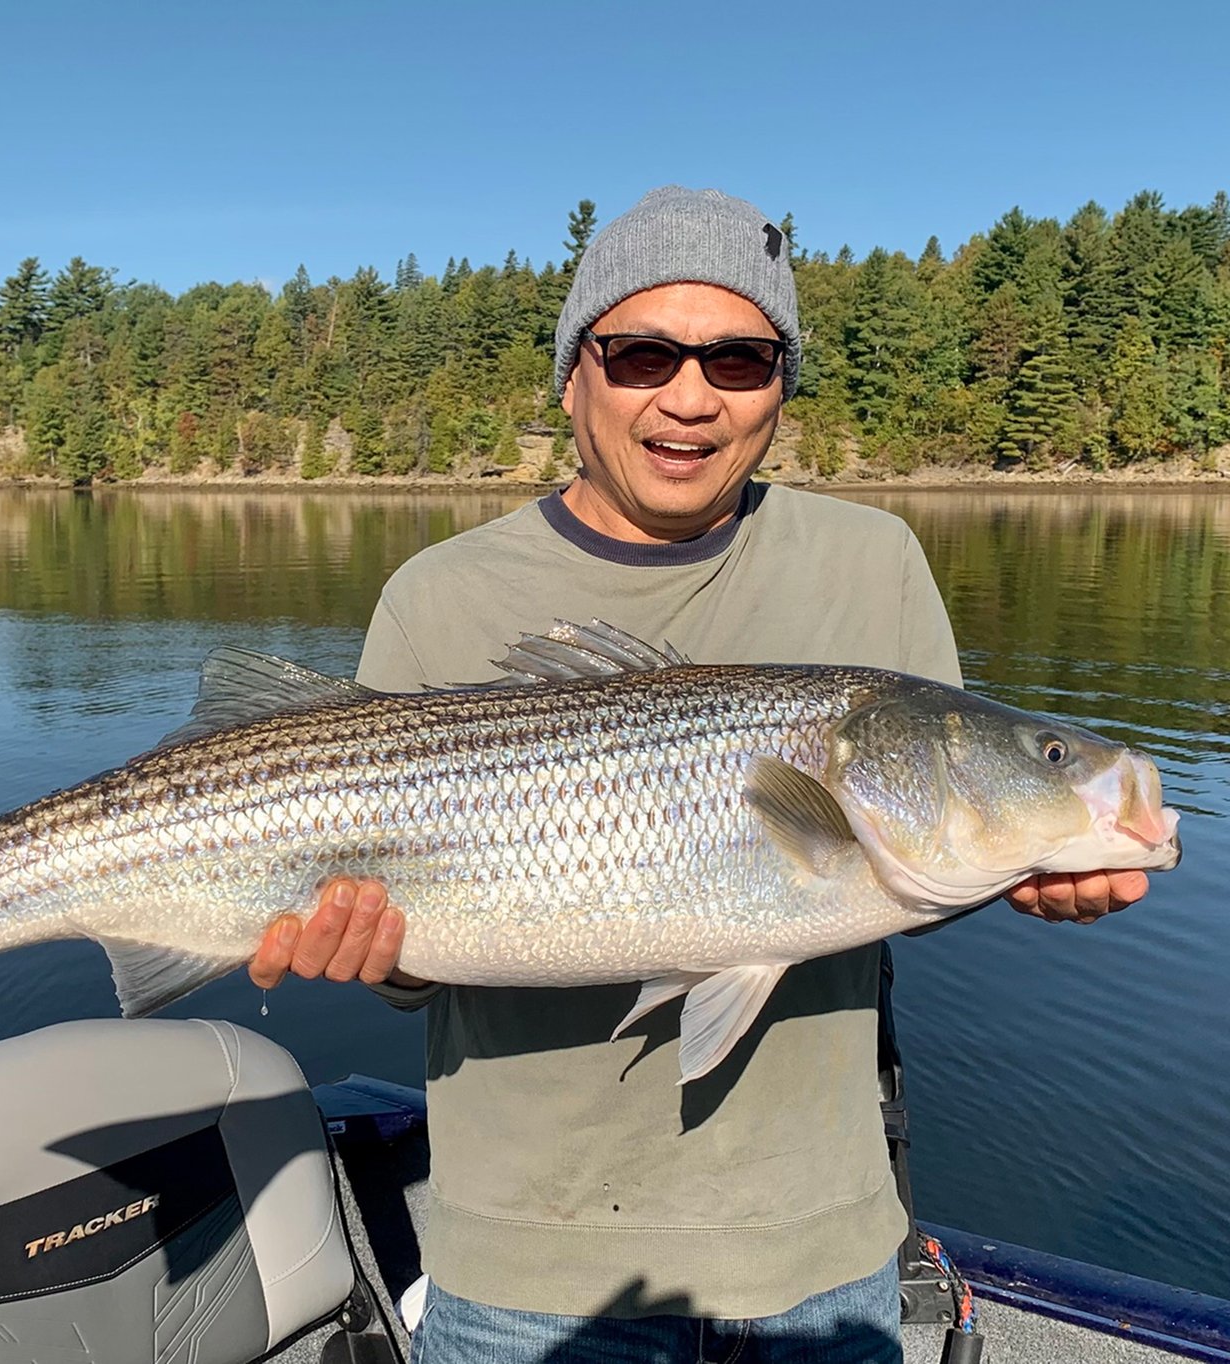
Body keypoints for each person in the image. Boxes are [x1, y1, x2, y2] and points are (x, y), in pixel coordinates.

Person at [248, 187, 1151, 1363]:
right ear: (573, 376)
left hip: (822, 1259)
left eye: (739, 358)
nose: (689, 396)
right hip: (529, 1272)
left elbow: (900, 866)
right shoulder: (437, 594)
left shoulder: (871, 564)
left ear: (779, 386)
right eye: (639, 355)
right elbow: (408, 970)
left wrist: (1030, 860)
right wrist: (369, 954)